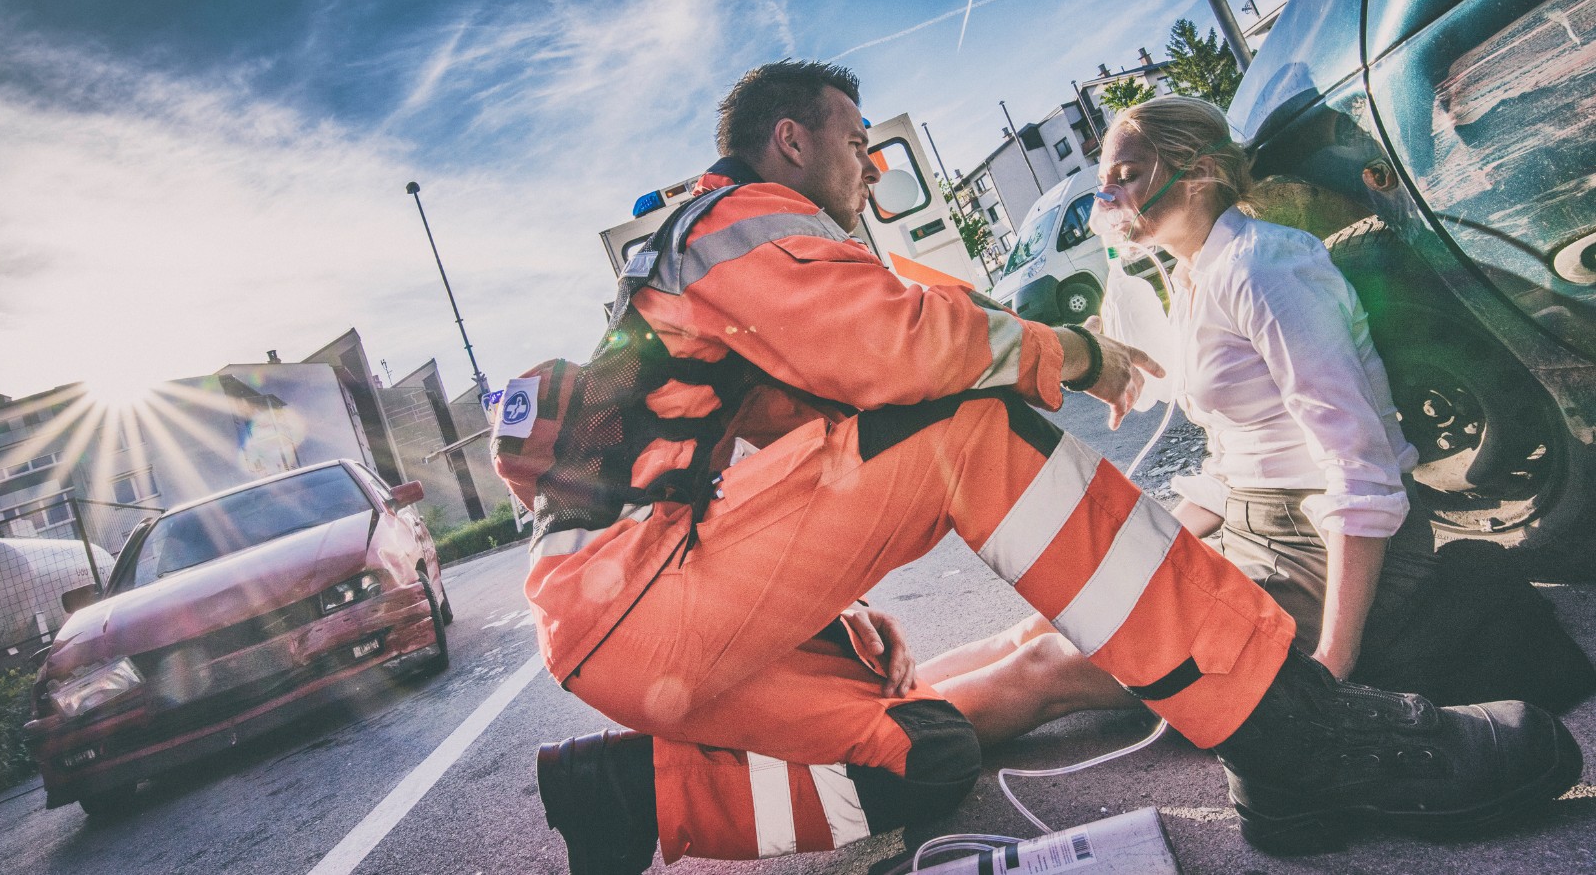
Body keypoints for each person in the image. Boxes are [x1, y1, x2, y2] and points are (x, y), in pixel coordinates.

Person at [508, 62, 1579, 874]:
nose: (868, 170)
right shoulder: (738, 227)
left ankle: (633, 794)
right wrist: (1069, 354)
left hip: (638, 603)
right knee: (970, 432)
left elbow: (811, 446)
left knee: (921, 755)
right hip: (642, 596)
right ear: (788, 141)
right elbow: (893, 357)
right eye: (852, 145)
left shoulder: (713, 248)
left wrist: (820, 621)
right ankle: (1295, 743)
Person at [917, 94, 1455, 747]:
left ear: (1197, 172)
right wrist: (1143, 550)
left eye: (1127, 176)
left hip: (1321, 552)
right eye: (1103, 181)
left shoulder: (1266, 270)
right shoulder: (1194, 274)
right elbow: (1233, 460)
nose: (1105, 201)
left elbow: (1361, 469)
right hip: (1254, 525)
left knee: (1046, 667)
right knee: (1048, 623)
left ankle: (854, 763)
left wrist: (1329, 674)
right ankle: (861, 705)